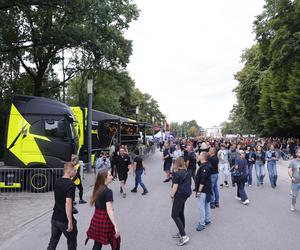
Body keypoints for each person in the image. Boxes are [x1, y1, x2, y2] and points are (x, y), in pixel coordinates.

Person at [85, 169, 121, 249]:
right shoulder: (108, 191)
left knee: (98, 243)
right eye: (110, 175)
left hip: (96, 220)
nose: (112, 177)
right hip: (105, 220)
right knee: (116, 240)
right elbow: (109, 210)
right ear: (105, 178)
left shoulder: (97, 189)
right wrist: (115, 226)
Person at [47, 162, 78, 250]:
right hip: (64, 220)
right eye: (75, 170)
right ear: (69, 171)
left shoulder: (57, 181)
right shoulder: (71, 185)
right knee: (72, 243)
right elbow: (68, 204)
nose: (76, 172)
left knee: (53, 242)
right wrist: (70, 221)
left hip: (55, 218)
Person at [171, 157, 191, 246]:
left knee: (174, 215)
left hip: (179, 195)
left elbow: (175, 186)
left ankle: (184, 235)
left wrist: (172, 196)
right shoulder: (186, 171)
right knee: (180, 213)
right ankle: (181, 231)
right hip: (185, 194)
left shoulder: (177, 173)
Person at [195, 152, 212, 232]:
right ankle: (207, 219)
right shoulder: (206, 165)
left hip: (204, 189)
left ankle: (202, 223)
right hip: (207, 188)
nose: (198, 155)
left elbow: (202, 180)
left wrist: (199, 191)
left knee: (201, 205)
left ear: (203, 157)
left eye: (200, 155)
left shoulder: (204, 167)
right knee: (206, 204)